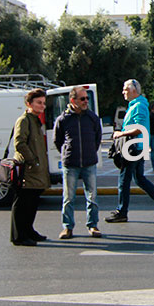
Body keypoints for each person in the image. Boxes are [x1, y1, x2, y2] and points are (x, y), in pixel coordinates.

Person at [106, 79, 154, 223]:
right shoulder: (136, 105)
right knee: (139, 179)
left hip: (134, 148)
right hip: (137, 147)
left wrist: (120, 133)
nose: (123, 91)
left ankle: (121, 211)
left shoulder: (139, 106)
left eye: (125, 89)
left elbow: (139, 128)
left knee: (124, 180)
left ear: (133, 90)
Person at [53, 86, 103, 240]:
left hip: (89, 163)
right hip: (71, 164)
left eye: (87, 98)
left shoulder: (92, 118)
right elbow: (58, 140)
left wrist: (90, 152)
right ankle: (67, 228)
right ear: (72, 100)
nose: (86, 101)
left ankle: (93, 225)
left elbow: (97, 138)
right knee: (68, 198)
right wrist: (69, 151)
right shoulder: (63, 119)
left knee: (92, 196)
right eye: (82, 99)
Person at [10, 88, 49, 246]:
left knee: (32, 202)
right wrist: (33, 161)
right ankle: (19, 235)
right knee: (23, 203)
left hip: (36, 170)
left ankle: (29, 230)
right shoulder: (24, 120)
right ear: (29, 103)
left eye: (44, 103)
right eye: (39, 103)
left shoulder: (34, 119)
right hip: (28, 169)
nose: (42, 106)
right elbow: (19, 143)